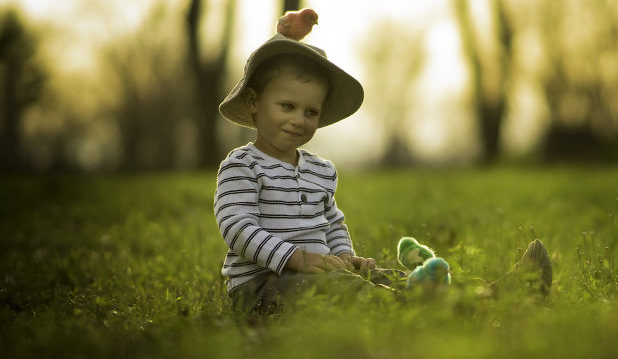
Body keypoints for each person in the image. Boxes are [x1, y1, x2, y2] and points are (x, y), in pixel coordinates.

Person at [213, 27, 551, 315]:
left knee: (385, 276)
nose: (299, 120)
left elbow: (332, 223)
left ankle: (490, 293)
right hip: (261, 287)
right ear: (254, 102)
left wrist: (344, 256)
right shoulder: (242, 166)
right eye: (287, 106)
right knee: (342, 289)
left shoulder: (320, 170)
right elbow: (237, 228)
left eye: (311, 112)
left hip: (319, 272)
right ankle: (424, 308)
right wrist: (295, 258)